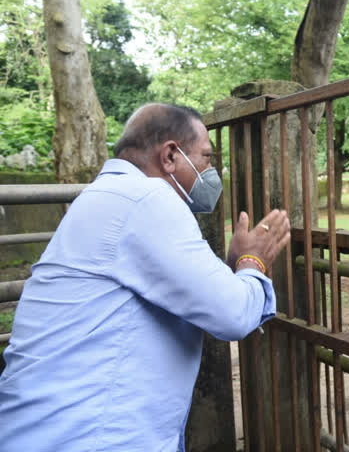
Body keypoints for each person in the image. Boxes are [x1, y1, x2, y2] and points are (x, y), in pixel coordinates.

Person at [0, 103, 290, 451]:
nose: (211, 171)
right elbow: (233, 314)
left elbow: (170, 292)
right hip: (91, 437)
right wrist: (251, 261)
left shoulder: (105, 197)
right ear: (170, 155)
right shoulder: (148, 199)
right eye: (207, 158)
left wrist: (229, 272)